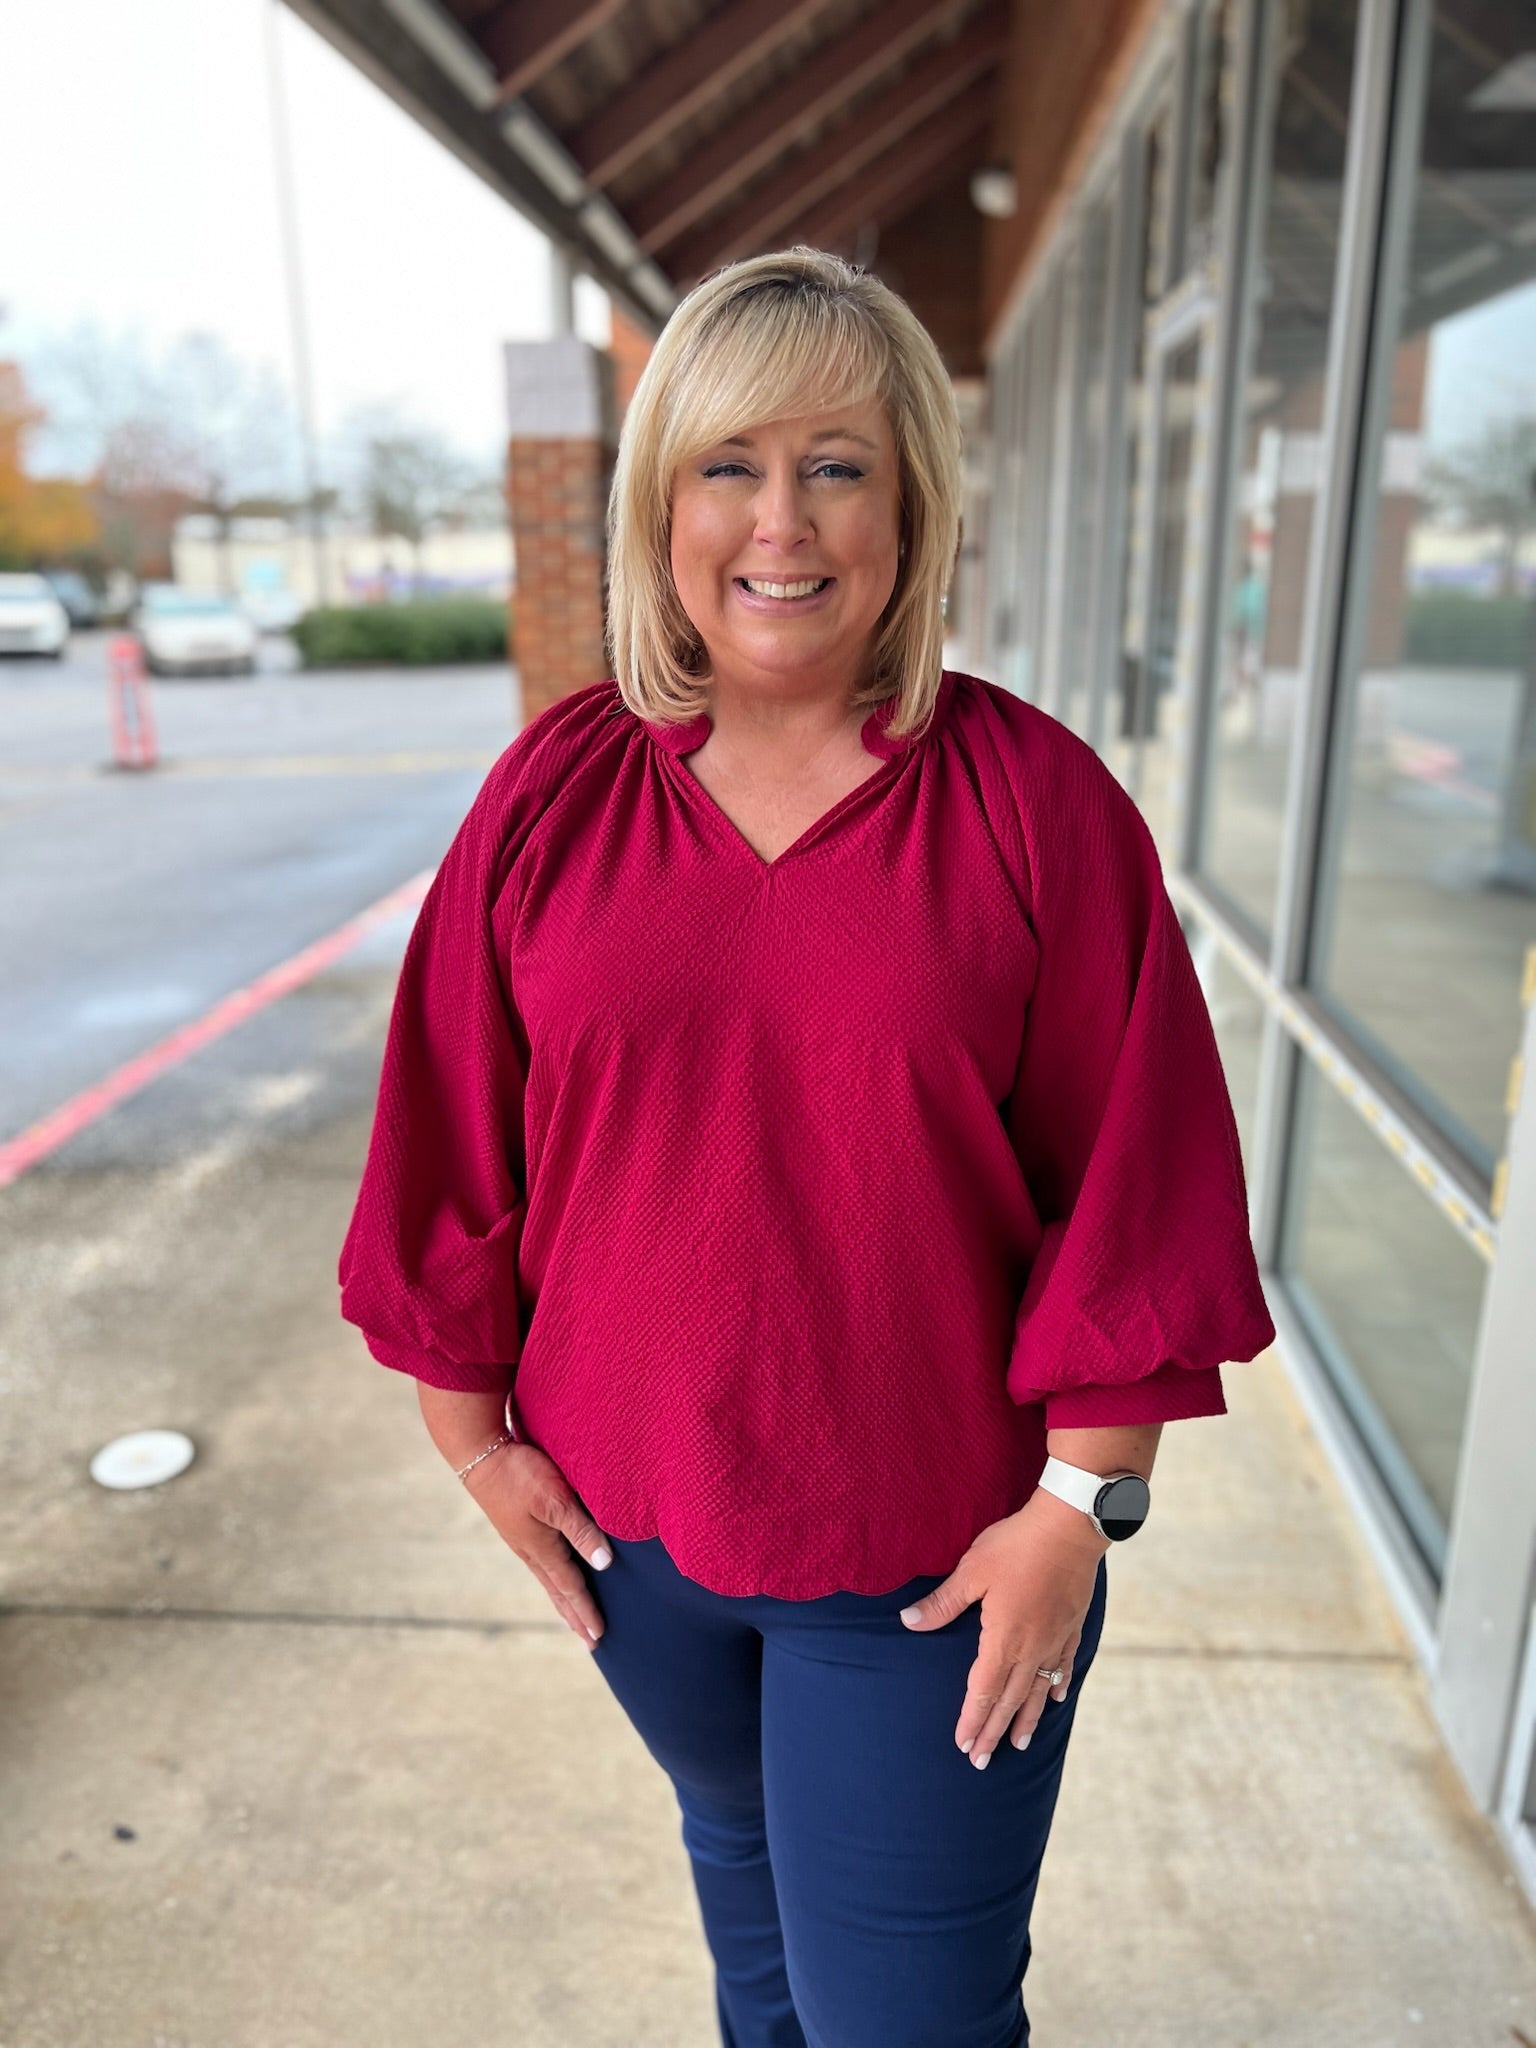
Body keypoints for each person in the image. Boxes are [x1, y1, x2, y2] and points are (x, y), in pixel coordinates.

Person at [338, 245, 1275, 2048]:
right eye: (730, 465)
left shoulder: (1033, 804)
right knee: (757, 1922)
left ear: (911, 502)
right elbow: (451, 1115)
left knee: (902, 2019)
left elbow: (1129, 1186)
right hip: (639, 1546)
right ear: (660, 502)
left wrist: (1079, 1512)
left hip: (925, 1566)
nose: (784, 521)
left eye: (838, 464)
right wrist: (472, 1444)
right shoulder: (559, 785)